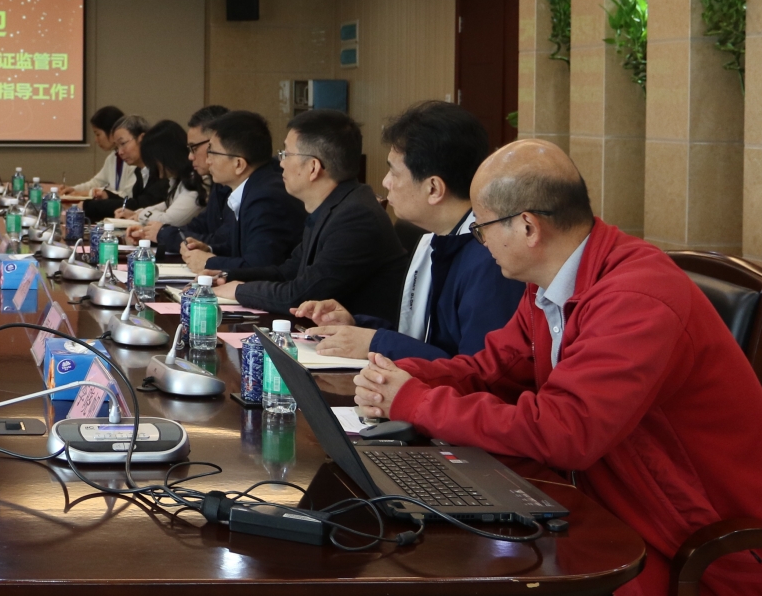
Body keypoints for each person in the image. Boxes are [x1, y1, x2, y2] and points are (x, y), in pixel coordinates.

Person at [353, 140, 762, 596]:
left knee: (456, 565)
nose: (481, 242)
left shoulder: (636, 299)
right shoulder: (552, 280)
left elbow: (566, 432)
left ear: (528, 226)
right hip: (606, 495)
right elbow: (495, 368)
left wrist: (415, 402)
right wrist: (404, 378)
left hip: (688, 538)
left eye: (482, 228)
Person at [293, 101, 523, 360]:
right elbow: (425, 339)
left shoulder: (490, 258)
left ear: (433, 188)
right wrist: (356, 326)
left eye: (394, 172)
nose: (385, 182)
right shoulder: (437, 237)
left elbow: (478, 370)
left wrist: (378, 342)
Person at [211, 109, 406, 321]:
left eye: (286, 154)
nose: (280, 163)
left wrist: (238, 291)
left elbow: (300, 296)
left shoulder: (356, 217)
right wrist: (228, 275)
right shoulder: (334, 205)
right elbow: (288, 272)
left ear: (313, 167)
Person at [177, 109, 305, 272]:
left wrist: (209, 262)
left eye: (212, 153)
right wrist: (209, 249)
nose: (208, 161)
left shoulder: (266, 198)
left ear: (238, 164)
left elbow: (260, 265)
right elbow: (244, 249)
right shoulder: (252, 188)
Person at [131, 106, 231, 252]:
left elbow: (223, 243)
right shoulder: (218, 186)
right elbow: (199, 226)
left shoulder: (201, 182)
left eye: (194, 148)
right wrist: (152, 233)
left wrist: (159, 231)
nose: (190, 156)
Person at [117, 120, 203, 230]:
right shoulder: (178, 179)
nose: (152, 165)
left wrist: (141, 215)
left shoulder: (197, 181)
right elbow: (167, 205)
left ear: (165, 155)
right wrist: (137, 213)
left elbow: (169, 220)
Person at [83, 115, 159, 222]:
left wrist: (89, 206)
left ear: (142, 138)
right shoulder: (139, 171)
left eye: (123, 144)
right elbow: (132, 202)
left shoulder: (161, 171)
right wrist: (108, 195)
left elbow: (140, 205)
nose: (120, 152)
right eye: (117, 147)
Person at [65, 105, 131, 200]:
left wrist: (89, 193)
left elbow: (128, 194)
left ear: (112, 132)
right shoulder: (112, 158)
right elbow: (97, 182)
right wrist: (73, 189)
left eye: (98, 134)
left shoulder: (132, 159)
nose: (96, 140)